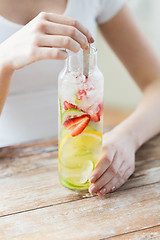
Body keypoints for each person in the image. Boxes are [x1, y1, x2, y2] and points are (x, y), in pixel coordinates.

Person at [0, 0, 160, 197]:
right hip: (10, 175)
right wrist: (3, 60)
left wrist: (128, 137)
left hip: (87, 165)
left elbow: (157, 85)